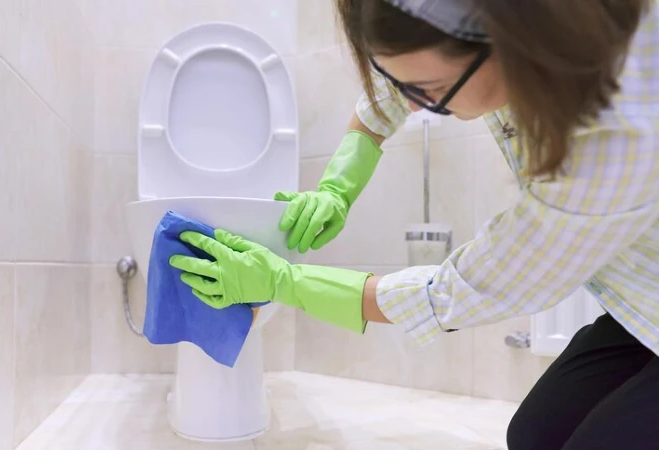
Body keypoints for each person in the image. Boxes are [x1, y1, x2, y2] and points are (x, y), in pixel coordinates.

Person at [169, 0, 659, 448]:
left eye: (433, 92)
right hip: (643, 306)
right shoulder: (480, 24)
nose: (419, 105)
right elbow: (385, 99)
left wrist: (285, 282)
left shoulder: (617, 131)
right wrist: (335, 191)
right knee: (533, 436)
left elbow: (455, 291)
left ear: (509, 44)